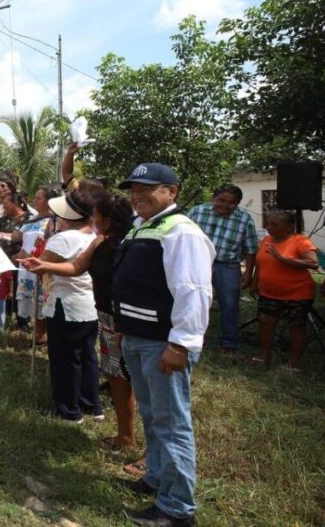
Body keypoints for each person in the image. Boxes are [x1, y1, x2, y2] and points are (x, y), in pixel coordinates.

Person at [111, 163, 214, 527]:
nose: (137, 196)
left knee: (171, 423)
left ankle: (176, 508)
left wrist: (181, 345)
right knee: (152, 415)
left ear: (172, 191)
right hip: (137, 337)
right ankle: (156, 477)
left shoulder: (181, 231)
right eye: (133, 190)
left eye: (148, 189)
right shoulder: (142, 227)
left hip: (162, 343)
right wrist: (124, 327)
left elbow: (193, 292)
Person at [24, 192, 138, 450]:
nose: (92, 219)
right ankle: (113, 423)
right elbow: (76, 267)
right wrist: (44, 266)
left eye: (96, 215)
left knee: (74, 360)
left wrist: (44, 265)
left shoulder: (131, 244)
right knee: (108, 369)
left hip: (118, 319)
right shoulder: (98, 241)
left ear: (106, 220)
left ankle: (72, 410)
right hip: (101, 314)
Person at [28, 189, 100, 423]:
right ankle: (91, 404)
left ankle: (68, 410)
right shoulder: (94, 236)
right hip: (89, 304)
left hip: (65, 304)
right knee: (87, 355)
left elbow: (41, 266)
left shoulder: (63, 239)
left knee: (64, 358)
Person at [187, 184, 258, 353]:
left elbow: (251, 249)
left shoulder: (244, 219)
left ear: (237, 203)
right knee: (193, 301)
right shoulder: (197, 212)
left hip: (227, 265)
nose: (225, 205)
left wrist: (248, 273)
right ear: (213, 198)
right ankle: (191, 339)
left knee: (229, 304)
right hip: (197, 262)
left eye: (231, 202)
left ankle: (229, 343)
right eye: (221, 200)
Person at [250, 210, 319, 370]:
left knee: (296, 326)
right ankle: (264, 356)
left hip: (297, 294)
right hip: (269, 293)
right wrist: (254, 282)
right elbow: (260, 263)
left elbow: (313, 263)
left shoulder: (301, 241)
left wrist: (282, 258)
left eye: (274, 225)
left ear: (289, 227)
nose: (269, 227)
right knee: (265, 323)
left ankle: (293, 362)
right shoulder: (266, 240)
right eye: (268, 223)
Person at [14, 185, 58, 335]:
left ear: (48, 201)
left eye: (39, 198)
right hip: (26, 267)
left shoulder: (54, 221)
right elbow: (17, 237)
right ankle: (37, 334)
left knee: (42, 302)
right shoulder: (31, 219)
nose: (35, 200)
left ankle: (44, 336)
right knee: (31, 302)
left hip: (41, 265)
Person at [0, 192, 33, 331]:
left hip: (20, 262)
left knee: (19, 291)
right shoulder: (4, 219)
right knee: (2, 289)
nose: (3, 206)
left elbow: (23, 237)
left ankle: (23, 321)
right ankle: (4, 319)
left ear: (16, 203)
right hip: (2, 260)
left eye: (6, 203)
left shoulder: (29, 219)